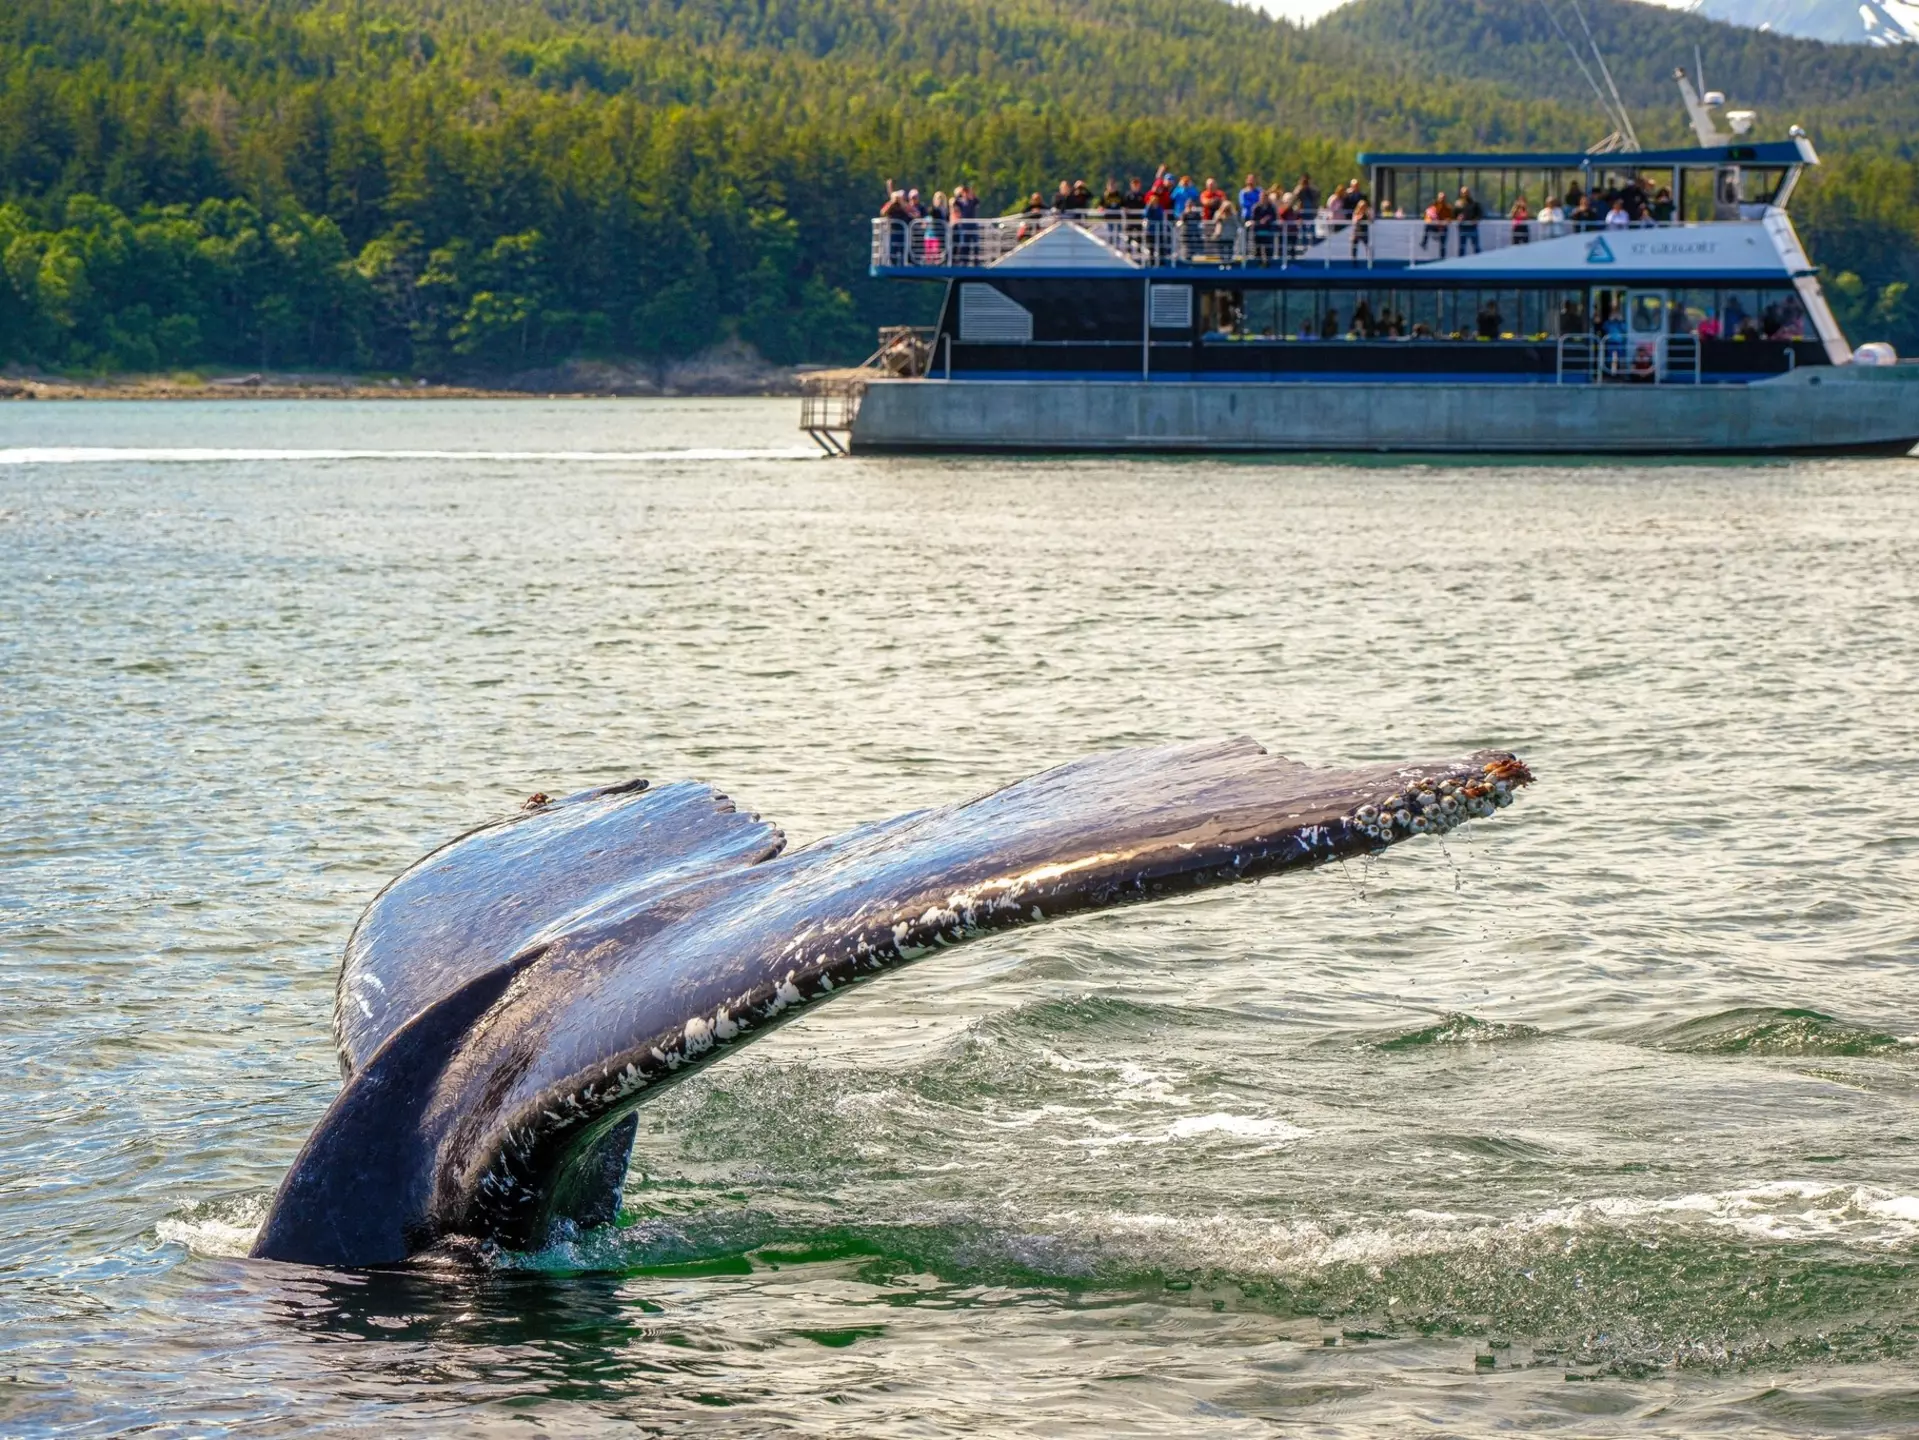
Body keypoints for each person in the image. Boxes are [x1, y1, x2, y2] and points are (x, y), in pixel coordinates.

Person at [878, 188, 913, 264]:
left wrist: (902, 204)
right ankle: (892, 262)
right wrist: (891, 203)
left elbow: (911, 212)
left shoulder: (904, 205)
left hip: (902, 230)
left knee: (903, 248)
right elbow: (883, 212)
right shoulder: (890, 205)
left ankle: (903, 262)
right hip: (893, 230)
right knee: (893, 248)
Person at [1421, 191, 1453, 258]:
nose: (1442, 199)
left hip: (1443, 228)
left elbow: (1450, 218)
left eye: (1443, 198)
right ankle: (1424, 242)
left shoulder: (1448, 208)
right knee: (1427, 226)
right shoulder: (1433, 207)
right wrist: (1430, 220)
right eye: (1440, 198)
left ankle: (1442, 259)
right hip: (1435, 227)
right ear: (1438, 198)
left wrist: (1446, 221)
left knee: (1443, 245)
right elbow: (1427, 217)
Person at [1456, 185, 1483, 255]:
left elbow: (1480, 214)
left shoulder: (1474, 204)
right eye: (1463, 193)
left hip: (1472, 229)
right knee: (1461, 248)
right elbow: (1453, 215)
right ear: (1461, 194)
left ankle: (1478, 262)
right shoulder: (1458, 204)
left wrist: (1476, 220)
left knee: (1476, 247)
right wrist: (1458, 218)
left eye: (1466, 192)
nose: (1465, 194)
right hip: (1462, 229)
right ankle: (1460, 263)